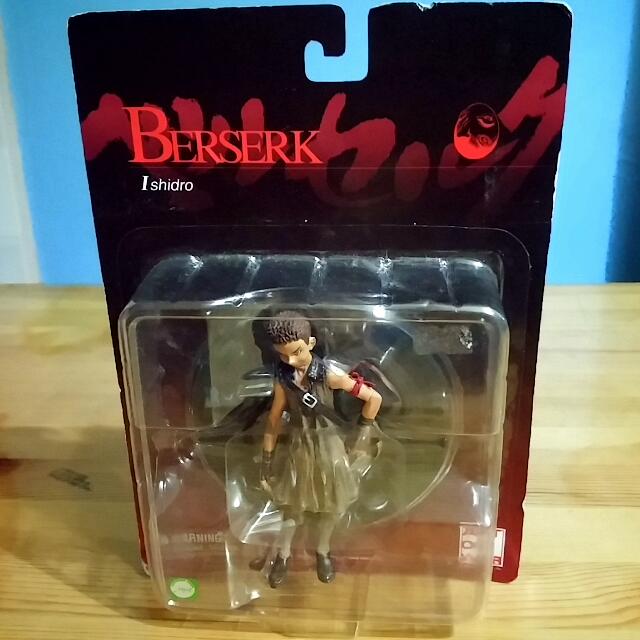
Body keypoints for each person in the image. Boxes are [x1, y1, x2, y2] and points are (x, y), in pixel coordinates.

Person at [260, 310, 382, 587]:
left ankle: (323, 550)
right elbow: (274, 419)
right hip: (299, 447)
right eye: (283, 355)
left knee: (333, 506)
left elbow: (373, 399)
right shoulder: (284, 378)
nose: (291, 361)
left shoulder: (329, 374)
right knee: (292, 508)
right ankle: (283, 554)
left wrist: (363, 431)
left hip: (329, 446)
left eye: (297, 352)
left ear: (311, 344)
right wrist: (266, 460)